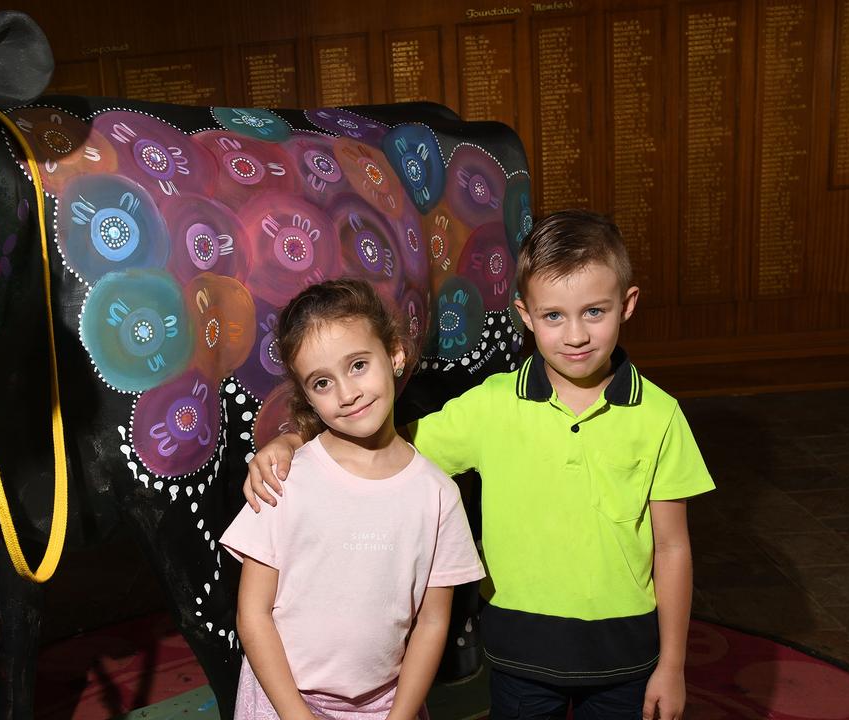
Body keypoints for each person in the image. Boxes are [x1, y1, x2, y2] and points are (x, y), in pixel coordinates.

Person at [243, 210, 714, 720]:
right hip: (520, 652)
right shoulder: (491, 405)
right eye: (554, 315)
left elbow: (671, 547)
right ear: (525, 315)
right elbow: (383, 445)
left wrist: (673, 664)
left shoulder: (661, 415)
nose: (575, 335)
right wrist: (292, 440)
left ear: (627, 306)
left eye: (594, 312)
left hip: (627, 654)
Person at [221, 278, 485, 720]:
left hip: (386, 708)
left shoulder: (438, 496)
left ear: (395, 354)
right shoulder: (284, 480)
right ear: (306, 395)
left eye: (358, 365)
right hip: (282, 704)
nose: (347, 393)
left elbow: (433, 623)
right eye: (322, 382)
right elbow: (253, 615)